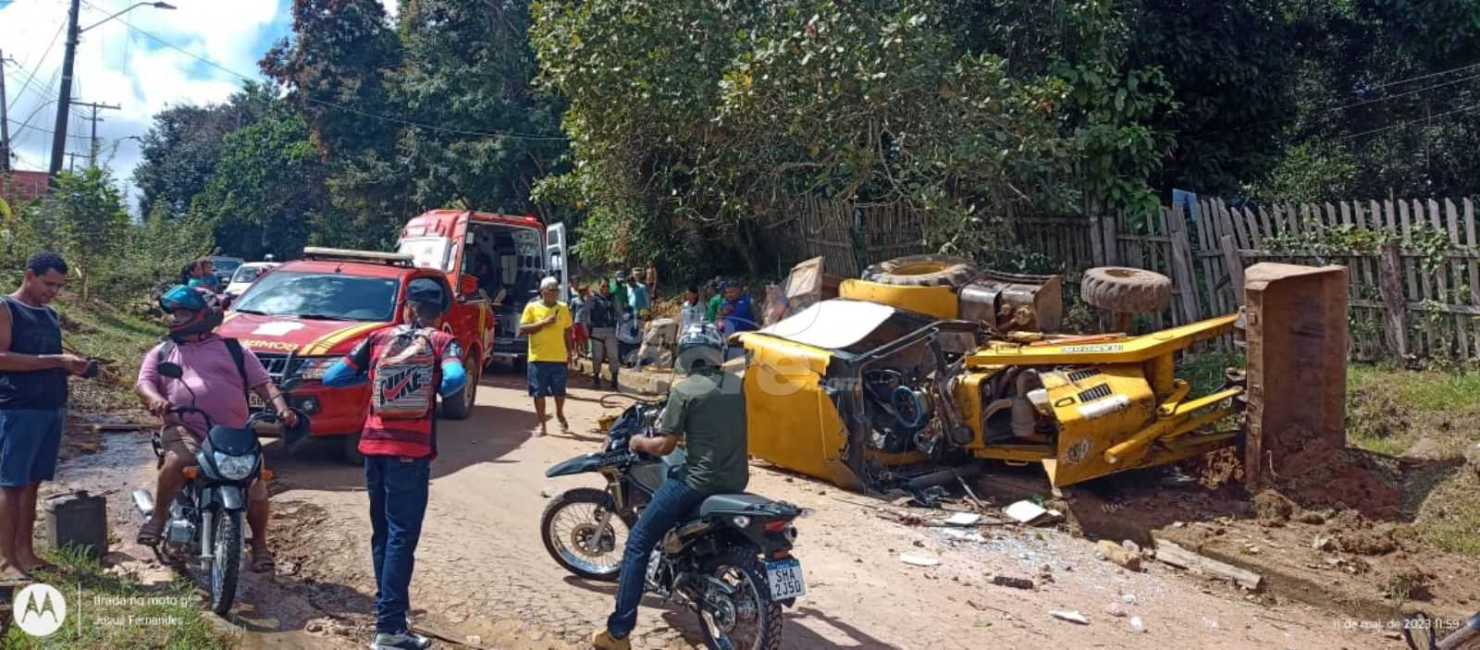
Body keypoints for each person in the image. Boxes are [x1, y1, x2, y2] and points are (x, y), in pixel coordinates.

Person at [321, 279, 467, 650]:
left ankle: (392, 616)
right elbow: (455, 379)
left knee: (383, 533)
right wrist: (426, 387)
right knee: (403, 536)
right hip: (411, 454)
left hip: (372, 447)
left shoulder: (378, 339)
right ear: (440, 311)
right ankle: (389, 627)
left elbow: (332, 377)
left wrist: (372, 378)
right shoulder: (440, 342)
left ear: (406, 305)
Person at [591, 326, 748, 650]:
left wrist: (638, 441)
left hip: (696, 482)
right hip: (735, 479)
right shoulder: (735, 385)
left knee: (637, 543)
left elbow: (664, 446)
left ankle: (618, 634)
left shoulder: (685, 390)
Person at [134, 285, 298, 574]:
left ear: (202, 316)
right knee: (178, 460)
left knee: (257, 484)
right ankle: (158, 518)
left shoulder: (235, 350)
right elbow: (144, 383)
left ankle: (259, 545)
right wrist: (155, 399)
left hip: (232, 433)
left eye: (181, 313)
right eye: (172, 313)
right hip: (185, 427)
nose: (173, 319)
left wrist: (282, 409)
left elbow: (264, 384)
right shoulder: (162, 351)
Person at [0, 252, 92, 580]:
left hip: (51, 406)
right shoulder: (6, 308)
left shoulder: (50, 315)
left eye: (59, 286)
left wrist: (72, 367)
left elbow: (50, 362)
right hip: (17, 408)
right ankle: (8, 560)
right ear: (29, 275)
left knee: (33, 482)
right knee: (12, 484)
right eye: (48, 283)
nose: (53, 291)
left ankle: (26, 551)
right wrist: (55, 359)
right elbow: (3, 358)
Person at [519, 277, 573, 436]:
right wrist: (544, 323)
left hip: (558, 357)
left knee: (560, 392)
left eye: (557, 291)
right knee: (538, 393)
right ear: (542, 292)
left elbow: (568, 331)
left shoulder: (563, 308)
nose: (555, 294)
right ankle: (543, 424)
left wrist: (571, 351)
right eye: (551, 291)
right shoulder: (532, 307)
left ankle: (559, 413)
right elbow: (523, 329)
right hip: (538, 358)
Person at [587, 282, 620, 389]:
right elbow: (587, 314)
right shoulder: (593, 299)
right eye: (603, 286)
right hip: (597, 330)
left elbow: (619, 312)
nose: (605, 288)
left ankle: (614, 379)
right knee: (597, 356)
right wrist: (588, 329)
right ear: (599, 287)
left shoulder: (613, 298)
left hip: (610, 330)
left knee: (613, 355)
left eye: (607, 286)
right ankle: (596, 377)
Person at [569, 283, 592, 372]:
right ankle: (577, 354)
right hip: (577, 321)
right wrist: (571, 322)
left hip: (586, 321)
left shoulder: (587, 300)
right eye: (582, 292)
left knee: (586, 337)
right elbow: (571, 311)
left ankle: (586, 353)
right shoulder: (574, 300)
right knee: (577, 339)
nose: (583, 293)